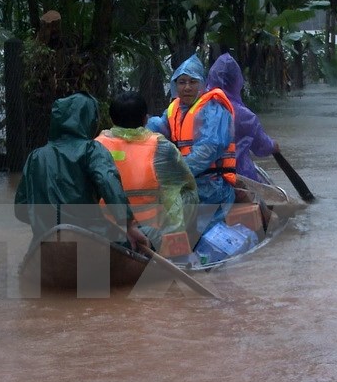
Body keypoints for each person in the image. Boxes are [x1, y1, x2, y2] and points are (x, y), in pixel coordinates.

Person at [14, 91, 149, 250]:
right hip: (91, 235)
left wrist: (46, 222)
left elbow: (20, 209)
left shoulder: (35, 157)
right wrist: (128, 223)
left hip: (44, 241)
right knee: (148, 238)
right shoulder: (91, 150)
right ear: (90, 120)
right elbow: (108, 181)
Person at [95, 91, 199, 249]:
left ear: (112, 119)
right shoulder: (162, 148)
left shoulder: (96, 146)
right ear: (146, 119)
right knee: (186, 194)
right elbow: (188, 187)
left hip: (103, 231)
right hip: (148, 234)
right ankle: (174, 248)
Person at [147, 54, 236, 233]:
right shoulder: (174, 108)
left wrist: (177, 173)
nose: (187, 87)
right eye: (182, 82)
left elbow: (209, 148)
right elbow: (157, 128)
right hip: (187, 183)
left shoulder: (213, 109)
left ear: (202, 84)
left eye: (192, 82)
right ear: (175, 85)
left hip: (212, 185)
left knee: (205, 237)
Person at [206, 52, 279, 184]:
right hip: (241, 176)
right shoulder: (245, 116)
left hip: (206, 177)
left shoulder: (199, 108)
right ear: (237, 81)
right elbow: (262, 147)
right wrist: (273, 145)